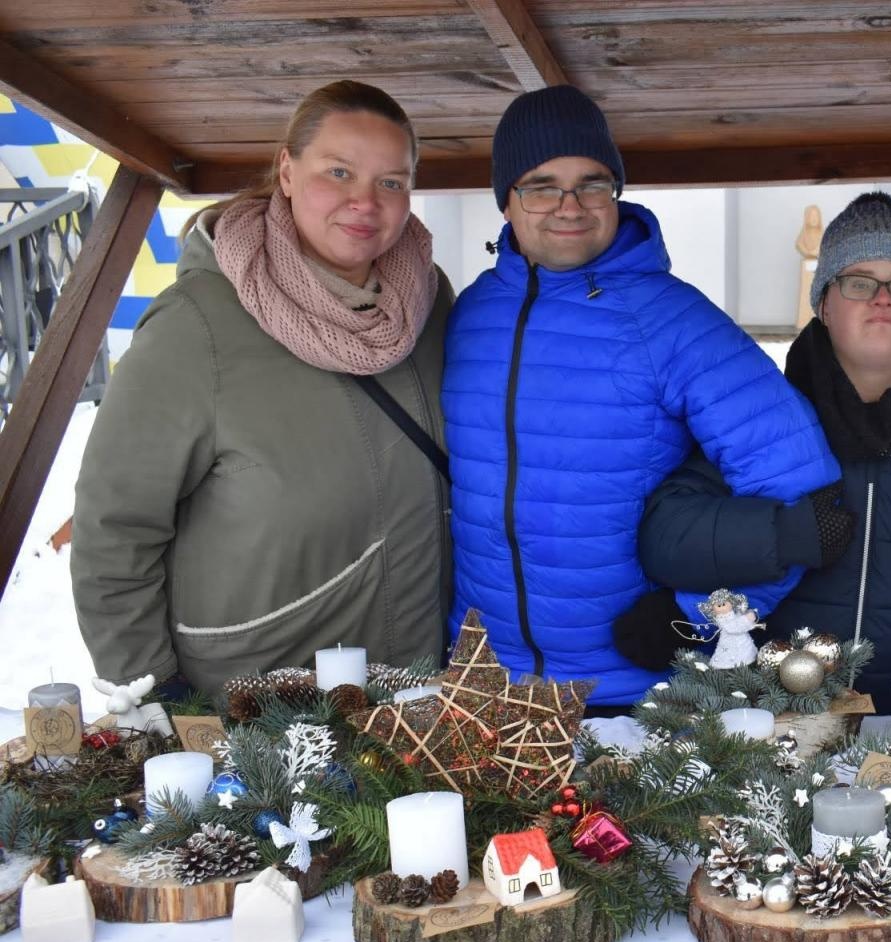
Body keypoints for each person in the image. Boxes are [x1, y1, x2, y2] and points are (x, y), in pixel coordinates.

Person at [444, 86, 840, 712]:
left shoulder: (674, 320)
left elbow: (812, 507)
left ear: (616, 192)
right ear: (507, 202)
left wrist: (693, 620)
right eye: (541, 185)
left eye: (592, 183)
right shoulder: (469, 316)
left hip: (632, 696)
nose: (569, 205)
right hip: (483, 689)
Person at [72, 81, 452, 701]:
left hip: (414, 690)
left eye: (392, 181)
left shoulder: (428, 306)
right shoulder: (195, 326)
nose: (366, 202)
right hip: (260, 703)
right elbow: (115, 526)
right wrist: (152, 688)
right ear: (286, 171)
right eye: (339, 171)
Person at [632, 192, 891, 711]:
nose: (883, 299)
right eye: (860, 283)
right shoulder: (759, 416)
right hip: (771, 716)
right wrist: (785, 534)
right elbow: (666, 535)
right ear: (823, 303)